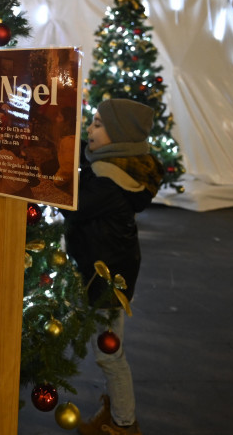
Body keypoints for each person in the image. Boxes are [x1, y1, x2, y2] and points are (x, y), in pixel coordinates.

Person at [62, 99, 162, 435]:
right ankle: (114, 410)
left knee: (110, 354)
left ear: (119, 136)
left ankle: (124, 423)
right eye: (91, 122)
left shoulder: (111, 183)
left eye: (99, 125)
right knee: (107, 350)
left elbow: (72, 204)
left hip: (107, 281)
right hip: (98, 272)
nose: (89, 130)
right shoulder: (107, 167)